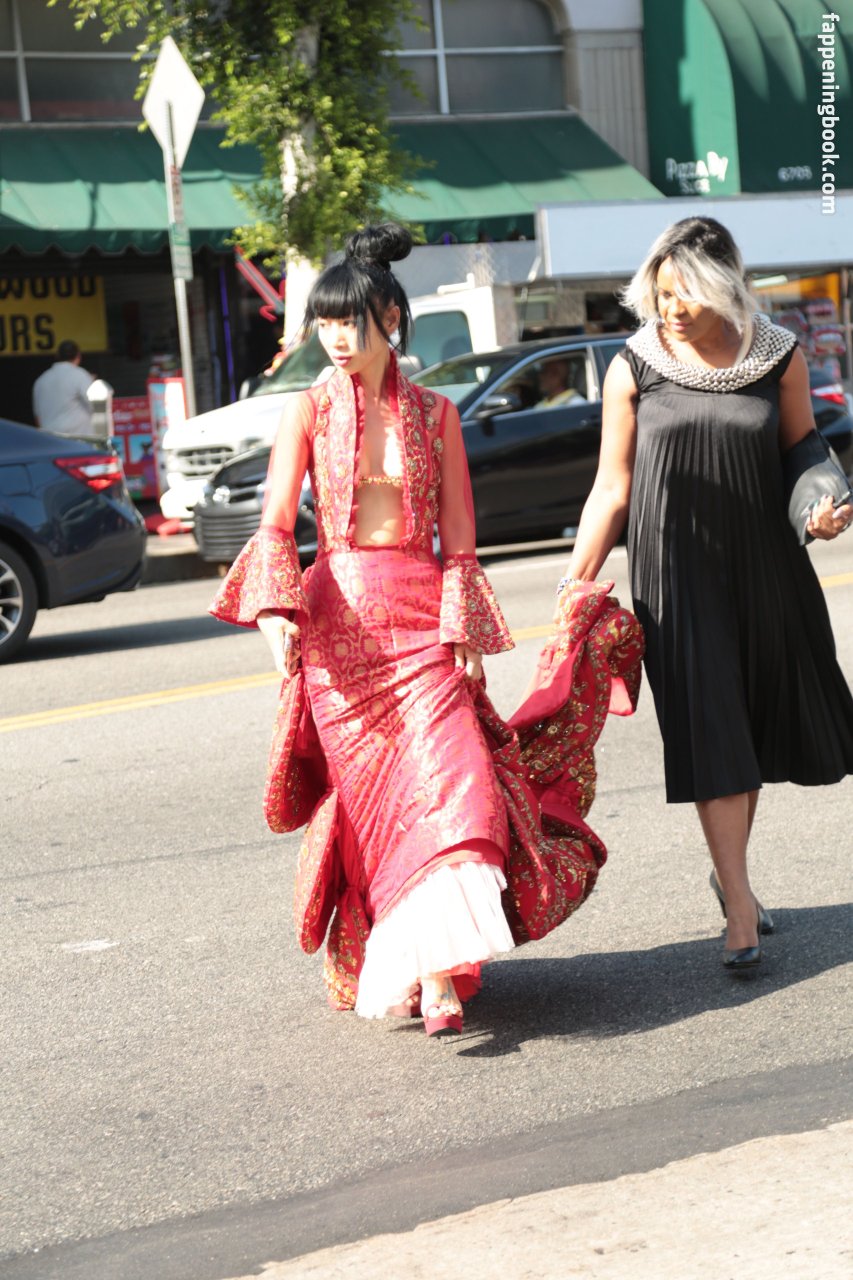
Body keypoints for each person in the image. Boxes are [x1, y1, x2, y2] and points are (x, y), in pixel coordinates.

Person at [210, 223, 643, 1035]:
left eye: (350, 322)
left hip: (422, 623)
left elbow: (460, 542)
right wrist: (274, 616)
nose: (336, 339)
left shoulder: (437, 413)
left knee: (456, 782)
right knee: (380, 808)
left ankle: (441, 967)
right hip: (339, 636)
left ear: (389, 321)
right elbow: (273, 525)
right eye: (324, 324)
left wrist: (463, 633)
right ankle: (424, 969)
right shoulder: (306, 410)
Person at [556, 215, 853, 973]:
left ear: (724, 287)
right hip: (675, 577)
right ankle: (741, 907)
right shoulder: (635, 365)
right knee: (710, 727)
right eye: (660, 294)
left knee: (744, 728)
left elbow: (802, 449)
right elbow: (611, 487)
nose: (672, 309)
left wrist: (821, 505)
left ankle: (730, 878)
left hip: (764, 567)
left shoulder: (777, 354)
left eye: (685, 293)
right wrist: (575, 580)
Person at [32, 340, 96, 438]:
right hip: (77, 441)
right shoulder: (80, 375)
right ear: (78, 356)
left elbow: (37, 418)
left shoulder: (41, 380)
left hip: (50, 441)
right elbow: (96, 405)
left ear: (57, 356)